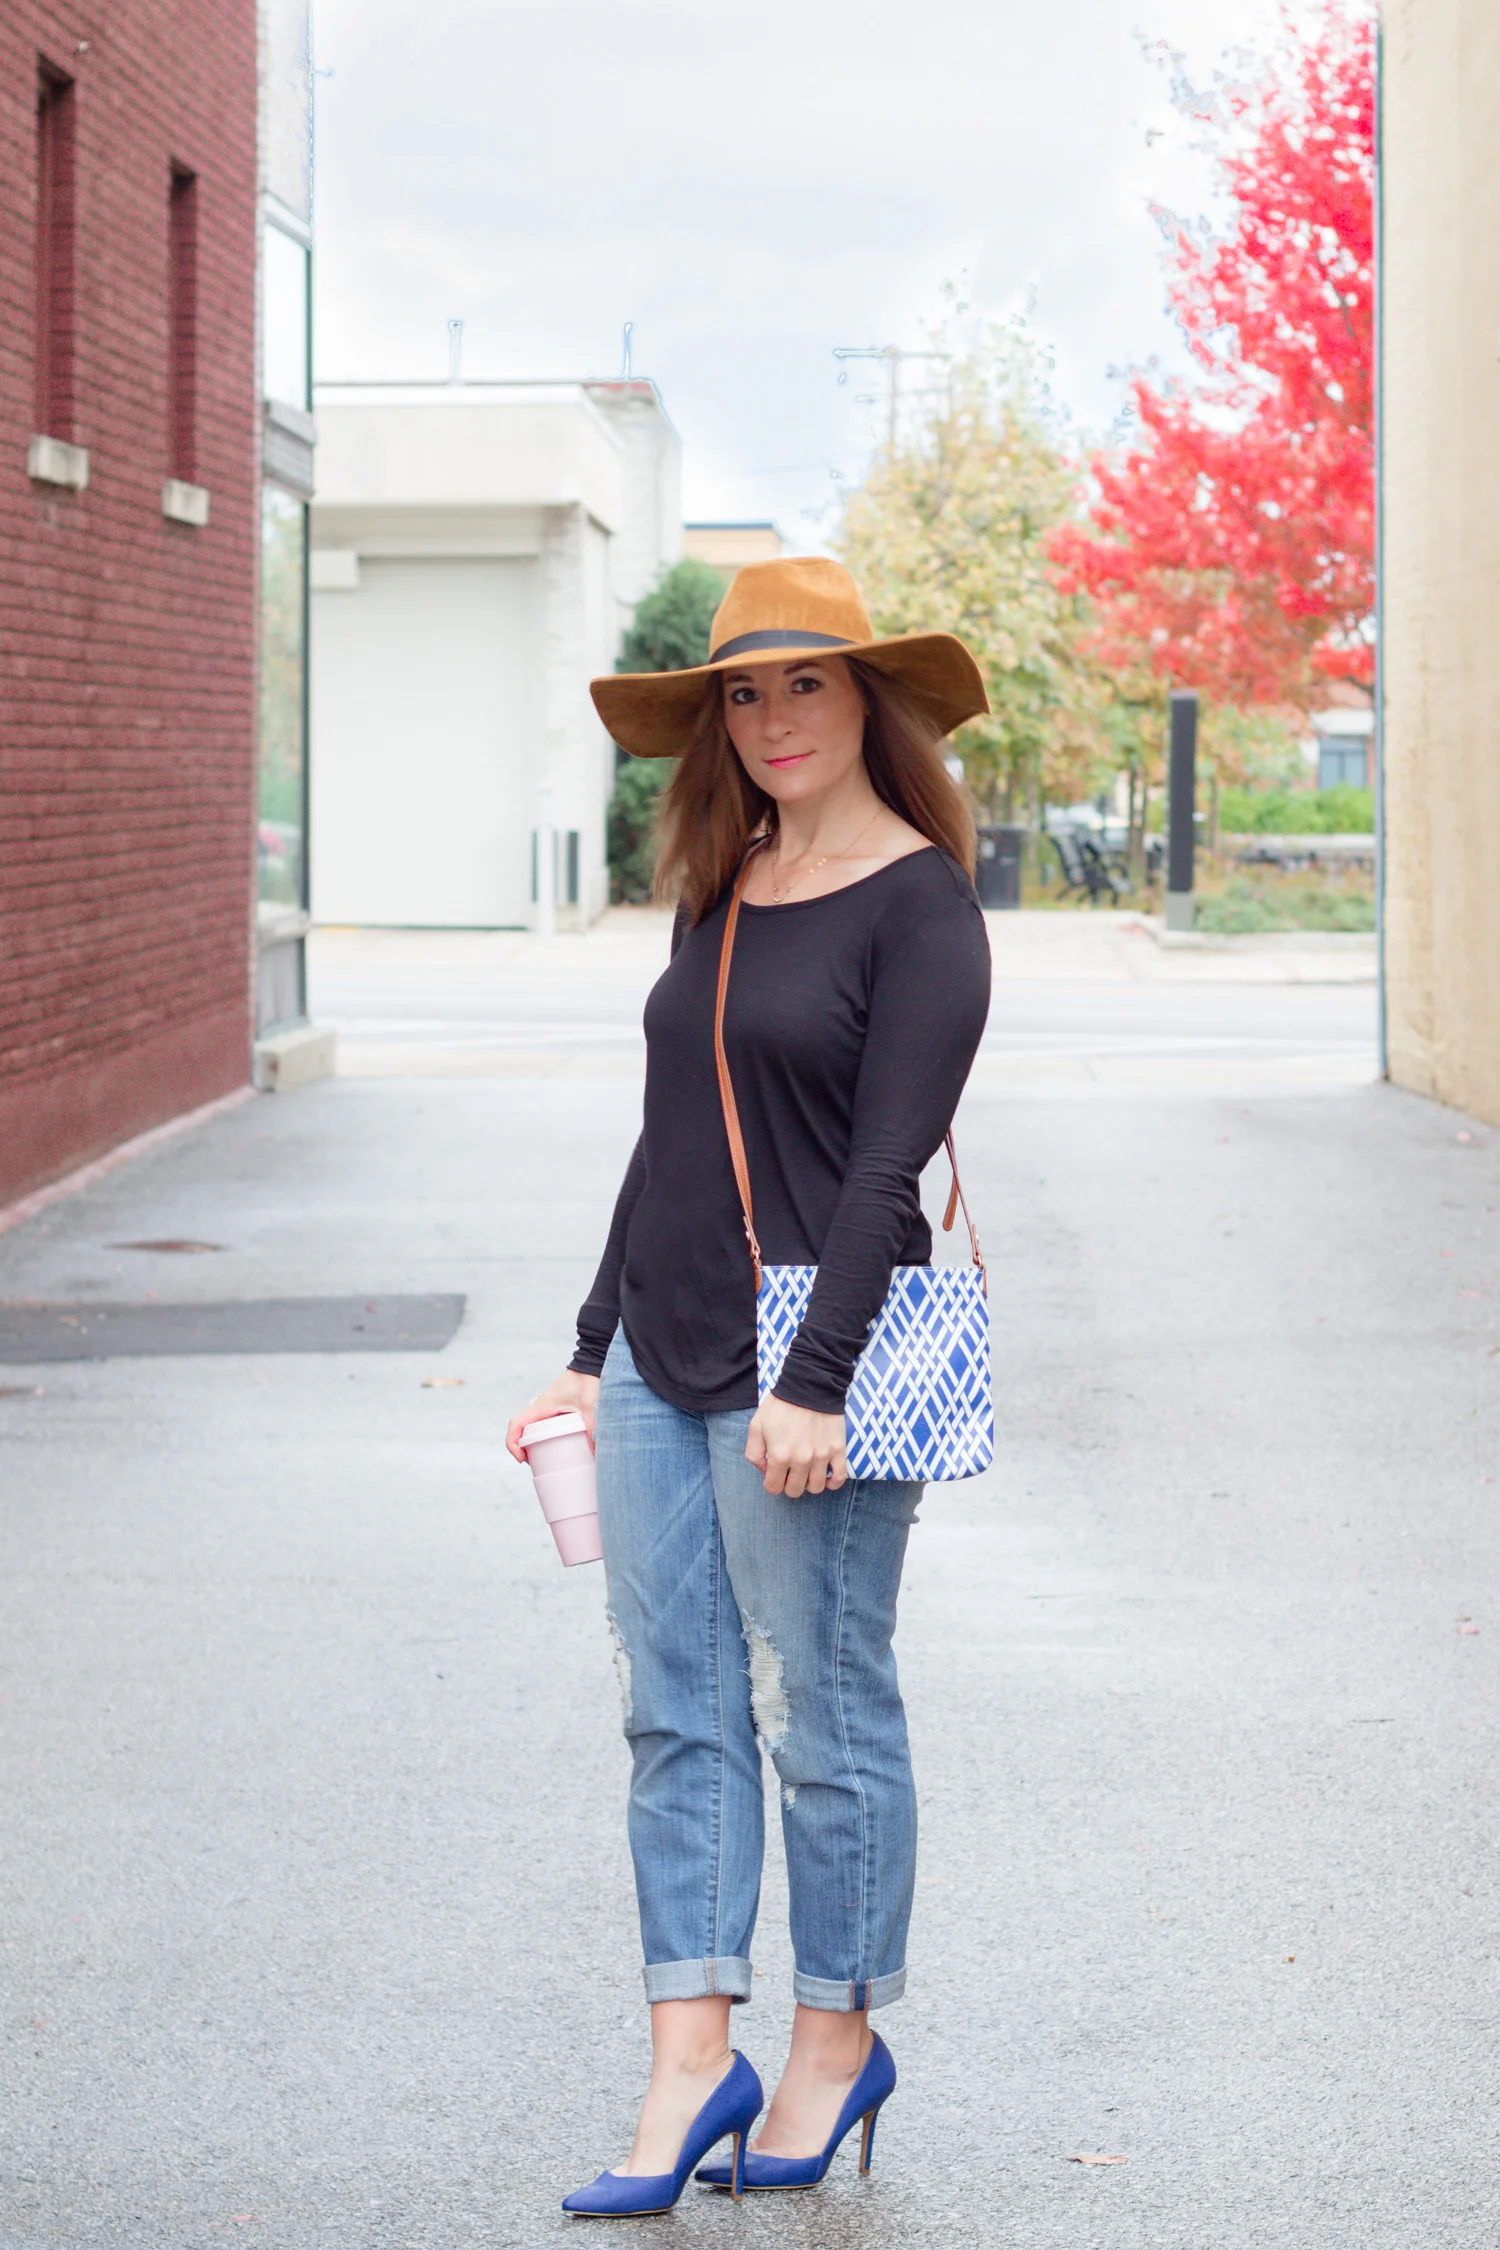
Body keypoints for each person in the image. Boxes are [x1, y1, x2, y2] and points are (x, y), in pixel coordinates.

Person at [506, 556, 993, 2217]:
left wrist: (818, 1379)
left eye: (807, 681)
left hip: (813, 1372)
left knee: (821, 1711)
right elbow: (668, 1140)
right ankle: (687, 2064)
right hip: (667, 1350)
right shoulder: (727, 881)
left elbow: (884, 1170)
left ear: (869, 699)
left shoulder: (922, 906)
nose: (775, 717)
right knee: (675, 1710)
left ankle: (834, 2043)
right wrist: (591, 1350)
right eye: (743, 690)